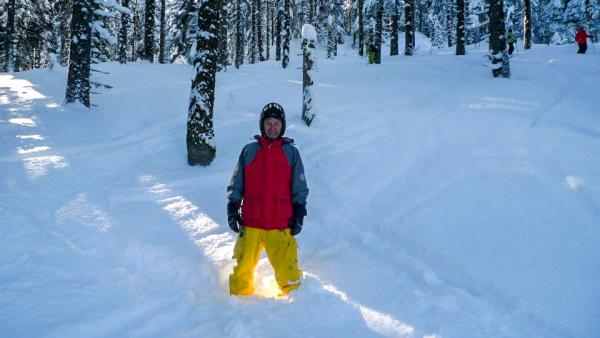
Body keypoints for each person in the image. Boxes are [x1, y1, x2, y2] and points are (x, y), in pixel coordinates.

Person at [227, 102, 309, 296]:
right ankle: (237, 305)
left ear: (283, 126)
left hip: (280, 224)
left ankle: (297, 307)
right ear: (262, 125)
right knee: (242, 271)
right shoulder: (249, 150)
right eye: (268, 123)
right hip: (251, 222)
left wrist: (299, 213)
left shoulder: (291, 153)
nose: (272, 127)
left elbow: (300, 187)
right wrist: (232, 208)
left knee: (288, 272)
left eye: (276, 124)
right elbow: (237, 182)